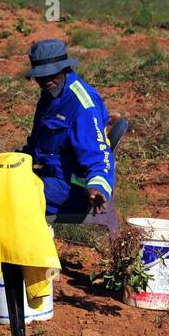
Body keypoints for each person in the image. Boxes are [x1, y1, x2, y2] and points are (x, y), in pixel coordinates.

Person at [19, 38, 114, 219]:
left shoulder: (83, 105)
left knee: (11, 195)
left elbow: (99, 155)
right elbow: (35, 146)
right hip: (47, 176)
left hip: (71, 186)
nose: (46, 80)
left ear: (64, 68)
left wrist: (98, 187)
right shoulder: (48, 97)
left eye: (52, 74)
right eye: (41, 76)